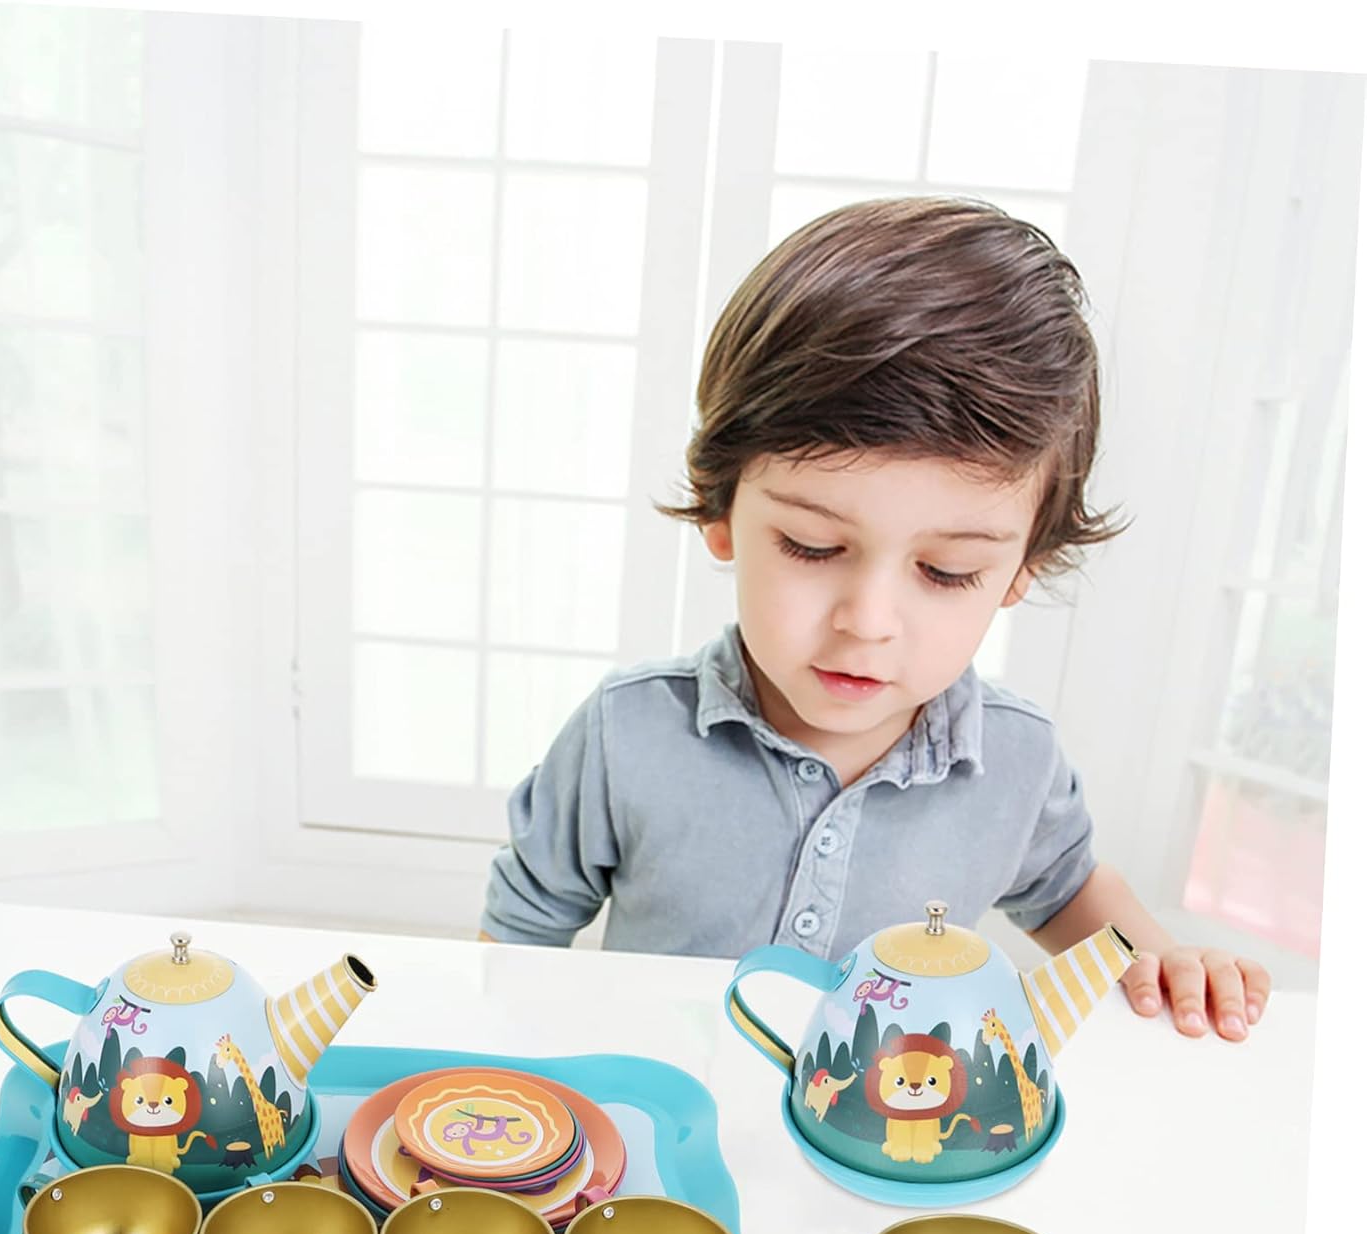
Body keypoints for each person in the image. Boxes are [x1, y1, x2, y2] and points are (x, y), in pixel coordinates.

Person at [479, 197, 1270, 1042]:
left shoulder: (1017, 760)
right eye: (813, 546)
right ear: (720, 509)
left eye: (946, 570)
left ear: (1019, 572)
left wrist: (1164, 959)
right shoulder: (628, 732)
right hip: (660, 1109)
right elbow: (518, 936)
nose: (868, 621)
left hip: (899, 1116)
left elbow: (1068, 889)